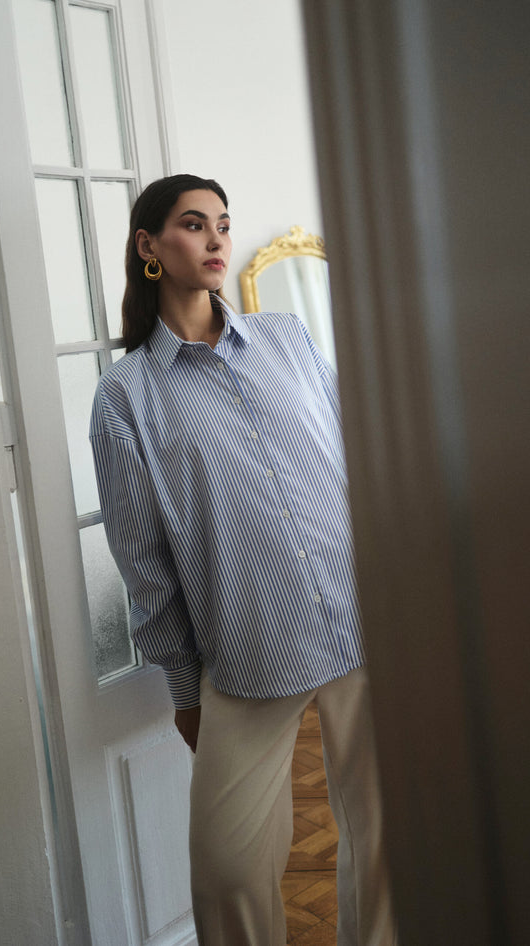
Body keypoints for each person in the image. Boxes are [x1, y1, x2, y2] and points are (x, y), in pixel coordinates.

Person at [90, 173, 397, 946]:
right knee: (228, 868)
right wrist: (185, 690)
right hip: (251, 648)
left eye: (223, 223)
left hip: (364, 616)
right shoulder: (125, 397)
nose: (217, 238)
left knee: (393, 835)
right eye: (194, 225)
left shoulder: (291, 340)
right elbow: (143, 561)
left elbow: (356, 459)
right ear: (149, 246)